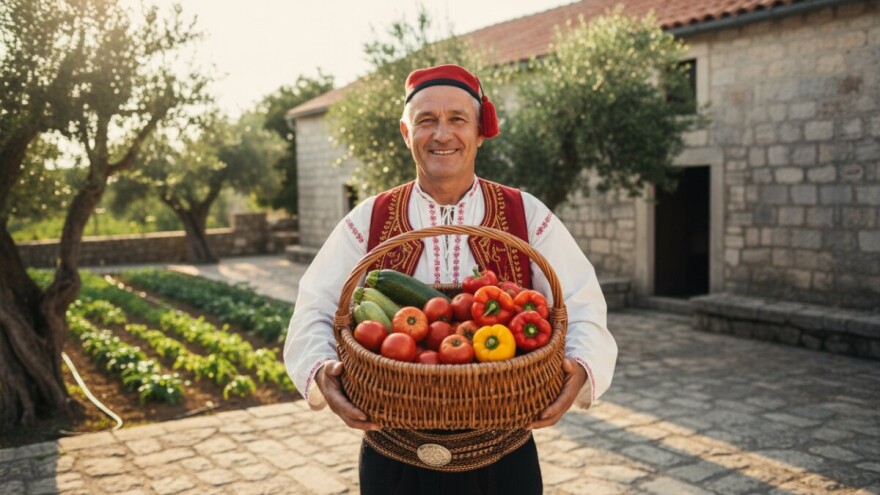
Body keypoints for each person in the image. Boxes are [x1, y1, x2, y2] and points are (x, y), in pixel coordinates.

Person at [284, 64, 617, 494]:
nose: (442, 134)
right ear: (406, 134)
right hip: (394, 459)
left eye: (457, 119)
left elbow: (582, 299)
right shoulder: (369, 218)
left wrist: (581, 370)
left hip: (504, 459)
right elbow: (313, 306)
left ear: (480, 132)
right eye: (426, 121)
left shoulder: (526, 213)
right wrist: (321, 374)